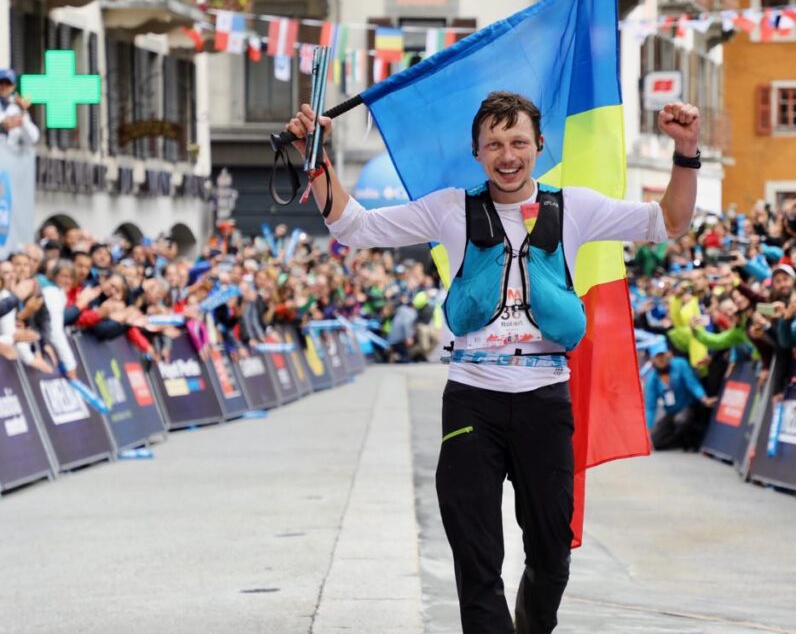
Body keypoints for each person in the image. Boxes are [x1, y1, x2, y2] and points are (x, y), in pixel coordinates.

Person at [284, 91, 701, 633]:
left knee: (551, 554)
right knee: (475, 556)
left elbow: (670, 220)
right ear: (477, 152)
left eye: (519, 142)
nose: (508, 155)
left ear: (539, 146)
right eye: (495, 144)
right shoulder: (450, 208)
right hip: (471, 399)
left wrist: (687, 150)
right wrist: (314, 158)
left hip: (544, 399)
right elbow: (355, 228)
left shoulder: (572, 206)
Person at [0, 69, 39, 152]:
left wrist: (22, 119)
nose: (3, 86)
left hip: (8, 158)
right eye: (1, 83)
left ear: (13, 86)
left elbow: (32, 138)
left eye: (7, 84)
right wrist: (3, 121)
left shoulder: (17, 109)